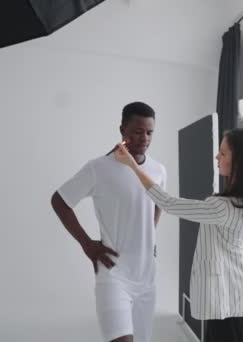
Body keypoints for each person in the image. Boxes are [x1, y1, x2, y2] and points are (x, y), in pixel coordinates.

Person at [114, 128, 243, 342]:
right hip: (241, 290)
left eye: (223, 153)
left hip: (226, 297)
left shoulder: (222, 207)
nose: (217, 156)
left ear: (240, 162)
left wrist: (133, 165)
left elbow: (168, 203)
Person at [51, 101, 166, 342]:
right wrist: (87, 245)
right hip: (114, 275)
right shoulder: (99, 168)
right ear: (122, 129)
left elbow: (159, 203)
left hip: (147, 278)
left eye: (149, 132)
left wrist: (149, 235)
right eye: (138, 131)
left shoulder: (158, 170)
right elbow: (60, 201)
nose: (144, 137)